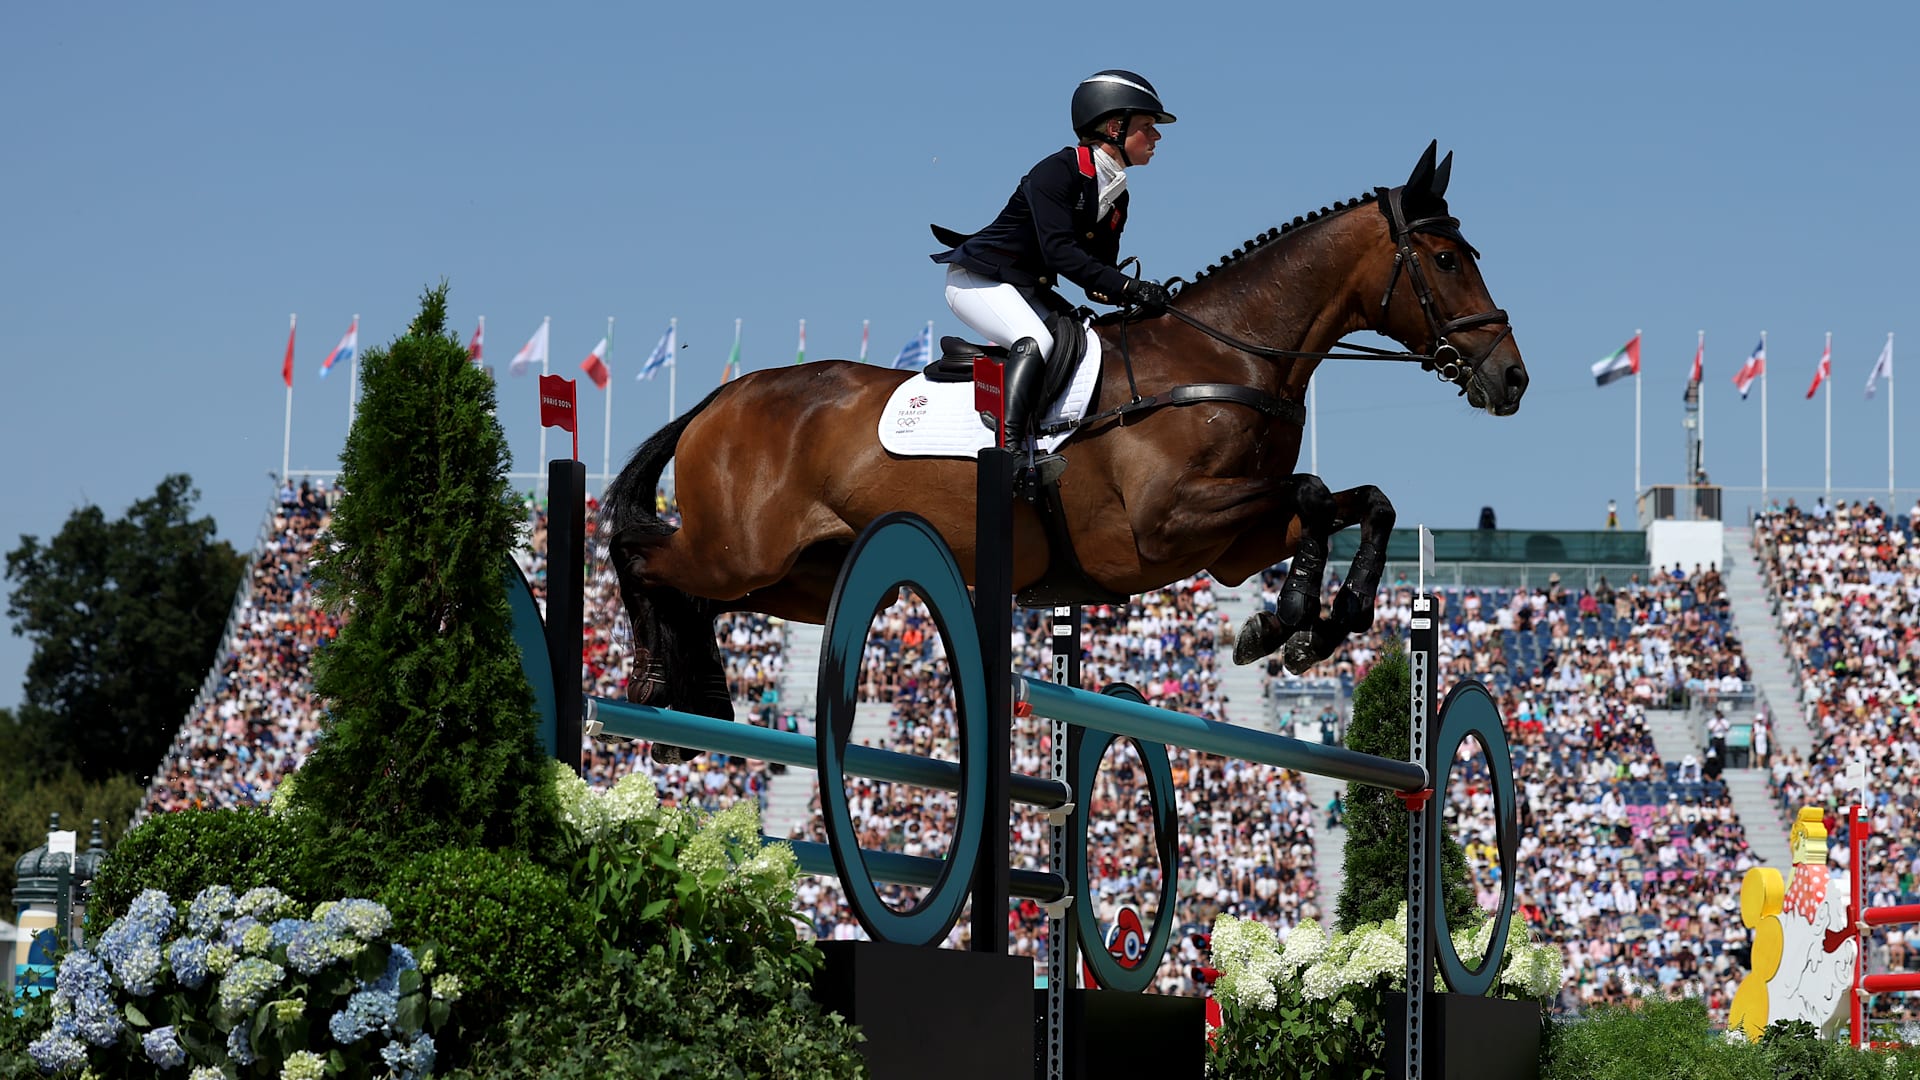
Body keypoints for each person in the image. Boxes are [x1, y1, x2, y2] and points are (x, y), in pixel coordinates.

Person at [931, 70, 1176, 468]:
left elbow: (1097, 272)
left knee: (1085, 340)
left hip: (1023, 286)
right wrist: (1129, 288)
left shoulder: (1116, 196)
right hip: (978, 279)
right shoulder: (1057, 171)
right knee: (1036, 342)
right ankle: (1006, 455)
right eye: (1148, 126)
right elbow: (1062, 253)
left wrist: (1135, 296)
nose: (1157, 137)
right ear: (1114, 127)